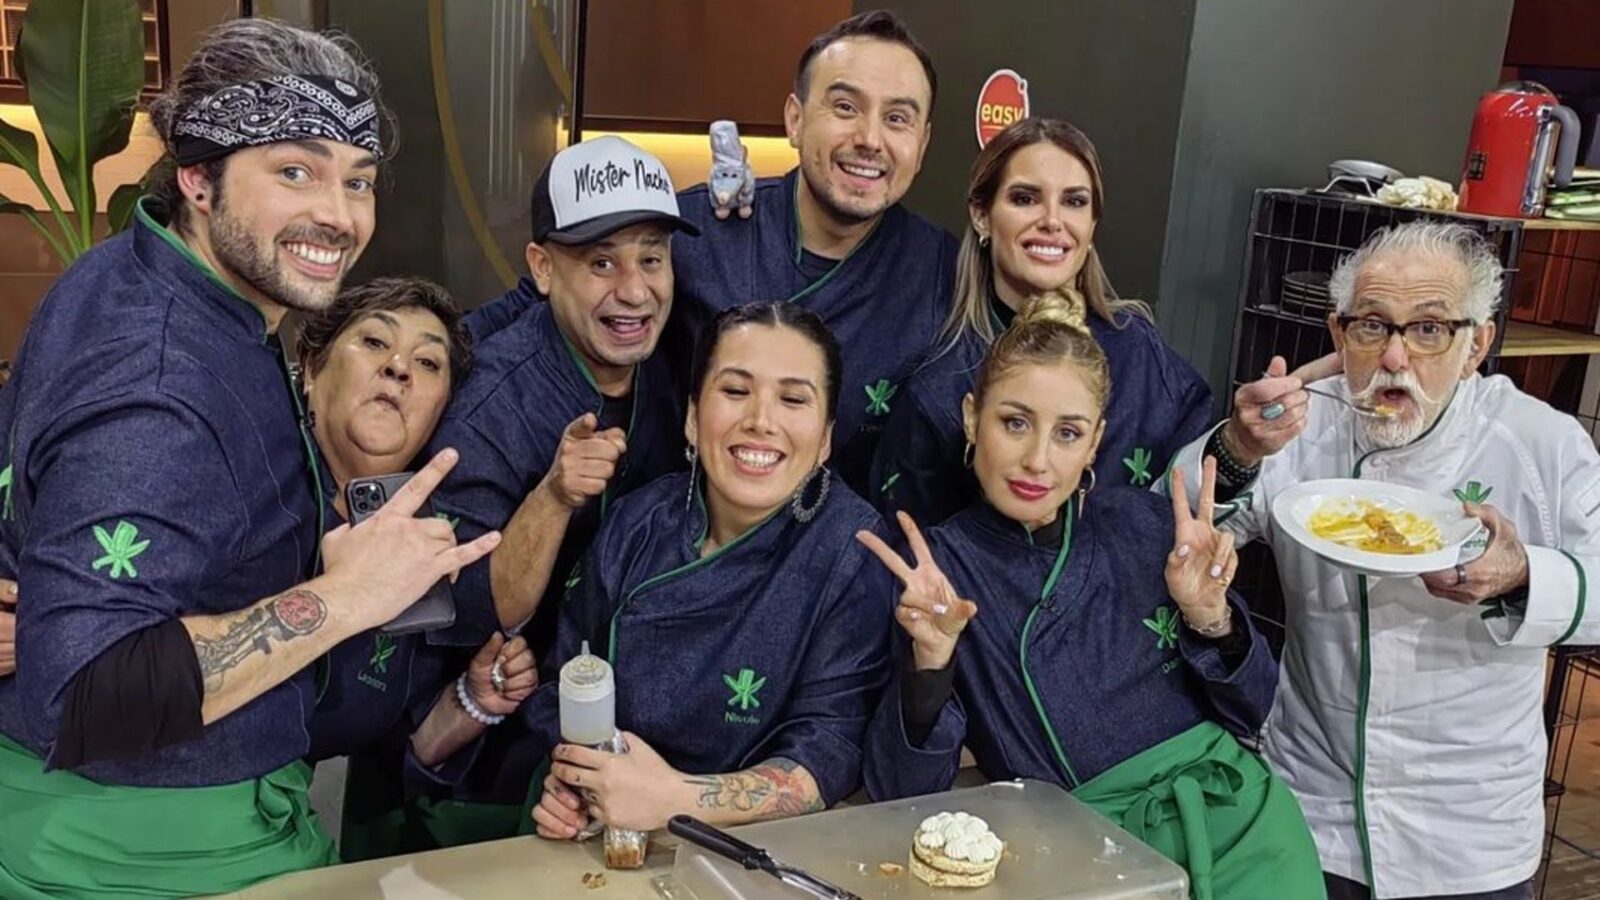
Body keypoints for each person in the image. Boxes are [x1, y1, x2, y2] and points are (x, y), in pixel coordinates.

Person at [0, 20, 499, 898]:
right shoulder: (160, 384)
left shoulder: (139, 273)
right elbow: (86, 690)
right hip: (142, 847)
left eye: (358, 180)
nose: (340, 216)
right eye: (295, 171)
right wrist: (346, 598)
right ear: (198, 177)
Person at [1177, 220, 1600, 900]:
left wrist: (1524, 576)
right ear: (1338, 333)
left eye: (1429, 329)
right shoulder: (1301, 424)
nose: (1395, 357)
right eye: (1372, 326)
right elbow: (1176, 517)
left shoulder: (1539, 442)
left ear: (1476, 344)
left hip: (1468, 832)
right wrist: (1238, 447)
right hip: (1309, 807)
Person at [862, 291, 1324, 900]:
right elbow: (900, 791)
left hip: (1244, 827)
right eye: (1015, 422)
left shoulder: (1147, 525)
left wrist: (1210, 616)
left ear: (1095, 443)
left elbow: (1256, 708)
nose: (1037, 460)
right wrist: (931, 661)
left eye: (1068, 433)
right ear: (972, 418)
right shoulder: (938, 574)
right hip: (1081, 854)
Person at [470, 11, 959, 497]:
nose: (870, 139)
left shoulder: (944, 272)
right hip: (671, 522)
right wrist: (432, 360)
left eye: (897, 118)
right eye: (846, 107)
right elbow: (535, 303)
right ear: (795, 119)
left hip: (837, 536)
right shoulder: (694, 228)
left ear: (922, 144)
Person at [527, 302, 893, 838]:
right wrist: (580, 786)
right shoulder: (638, 521)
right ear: (693, 419)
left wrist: (673, 798)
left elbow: (829, 752)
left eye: (793, 399)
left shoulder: (852, 548)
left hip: (757, 847)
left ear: (825, 440)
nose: (761, 421)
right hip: (610, 834)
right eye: (736, 391)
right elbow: (565, 681)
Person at [293, 278, 538, 861]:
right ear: (311, 369)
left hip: (284, 825)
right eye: (375, 343)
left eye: (427, 362)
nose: (399, 368)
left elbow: (403, 748)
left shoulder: (423, 544)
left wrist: (472, 702)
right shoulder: (253, 489)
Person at [871, 117, 1212, 525]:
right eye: (1025, 198)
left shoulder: (1139, 351)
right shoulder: (938, 383)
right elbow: (903, 541)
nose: (1053, 220)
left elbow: (1189, 496)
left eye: (1074, 202)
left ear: (1092, 224)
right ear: (981, 215)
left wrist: (1237, 447)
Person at [428, 136, 697, 650]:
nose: (634, 292)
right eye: (602, 263)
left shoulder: (679, 353)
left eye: (651, 259)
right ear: (543, 268)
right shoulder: (489, 409)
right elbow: (465, 612)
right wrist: (553, 497)